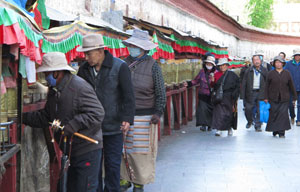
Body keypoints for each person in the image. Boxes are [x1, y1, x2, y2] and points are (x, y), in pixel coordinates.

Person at [22, 52, 105, 192]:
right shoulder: (54, 91)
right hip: (71, 150)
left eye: (46, 73)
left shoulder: (79, 87)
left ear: (56, 73)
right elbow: (46, 117)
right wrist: (23, 118)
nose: (44, 77)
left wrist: (74, 124)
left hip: (87, 149)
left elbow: (98, 113)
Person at [76, 34, 135, 192]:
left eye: (89, 53)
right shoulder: (83, 70)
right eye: (85, 54)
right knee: (93, 167)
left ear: (101, 51)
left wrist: (127, 118)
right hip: (91, 128)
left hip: (113, 125)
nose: (86, 57)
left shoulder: (120, 67)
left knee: (112, 165)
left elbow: (128, 96)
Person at [119, 29, 166, 192]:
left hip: (145, 116)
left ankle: (139, 181)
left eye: (134, 45)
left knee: (140, 152)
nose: (131, 48)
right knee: (124, 149)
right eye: (130, 45)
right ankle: (125, 178)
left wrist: (158, 113)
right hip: (125, 115)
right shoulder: (123, 64)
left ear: (143, 47)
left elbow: (161, 92)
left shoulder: (153, 66)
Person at [264, 56, 297, 138]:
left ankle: (282, 132)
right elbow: (266, 86)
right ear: (274, 64)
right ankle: (275, 130)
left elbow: (291, 86)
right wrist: (265, 97)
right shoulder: (270, 73)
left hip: (284, 97)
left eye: (280, 62)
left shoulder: (287, 73)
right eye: (276, 62)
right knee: (274, 114)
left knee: (283, 115)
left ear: (283, 64)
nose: (278, 64)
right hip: (273, 97)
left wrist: (294, 97)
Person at [211, 58, 240, 136]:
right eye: (220, 65)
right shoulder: (216, 74)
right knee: (219, 113)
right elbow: (213, 86)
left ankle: (229, 128)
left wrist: (234, 96)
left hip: (229, 97)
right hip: (219, 96)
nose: (222, 67)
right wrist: (213, 81)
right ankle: (218, 129)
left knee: (229, 113)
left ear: (227, 66)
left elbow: (237, 86)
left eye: (224, 65)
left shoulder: (232, 75)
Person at [188, 55, 217, 131]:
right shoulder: (202, 71)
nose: (209, 65)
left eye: (210, 64)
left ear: (213, 65)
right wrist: (188, 84)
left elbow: (218, 84)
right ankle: (203, 125)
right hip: (202, 94)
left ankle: (210, 125)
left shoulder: (216, 73)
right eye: (208, 64)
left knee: (211, 110)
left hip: (211, 95)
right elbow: (196, 80)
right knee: (202, 110)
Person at [240, 54, 268, 131]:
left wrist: (267, 95)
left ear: (260, 61)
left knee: (260, 110)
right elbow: (244, 83)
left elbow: (268, 82)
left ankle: (258, 125)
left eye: (258, 60)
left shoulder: (265, 70)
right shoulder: (248, 70)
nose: (256, 61)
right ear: (252, 61)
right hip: (250, 93)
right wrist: (242, 95)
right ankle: (250, 120)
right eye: (254, 60)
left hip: (261, 93)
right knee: (248, 109)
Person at [285, 49, 300, 126]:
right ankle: (292, 116)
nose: (297, 57)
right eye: (296, 55)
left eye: (299, 55)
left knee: (299, 105)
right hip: (291, 87)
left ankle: (299, 120)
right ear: (294, 56)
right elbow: (285, 74)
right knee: (290, 104)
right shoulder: (288, 64)